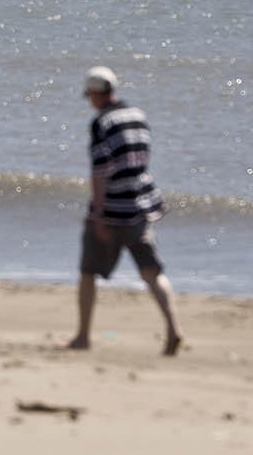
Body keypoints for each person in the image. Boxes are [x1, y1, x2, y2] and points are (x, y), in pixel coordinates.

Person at [67, 66, 181, 356]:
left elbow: (100, 172)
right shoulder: (138, 116)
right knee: (152, 271)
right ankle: (173, 328)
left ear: (95, 94)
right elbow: (141, 160)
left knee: (88, 271)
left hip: (114, 206)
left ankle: (83, 336)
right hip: (140, 204)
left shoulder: (101, 123)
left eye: (89, 95)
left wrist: (99, 215)